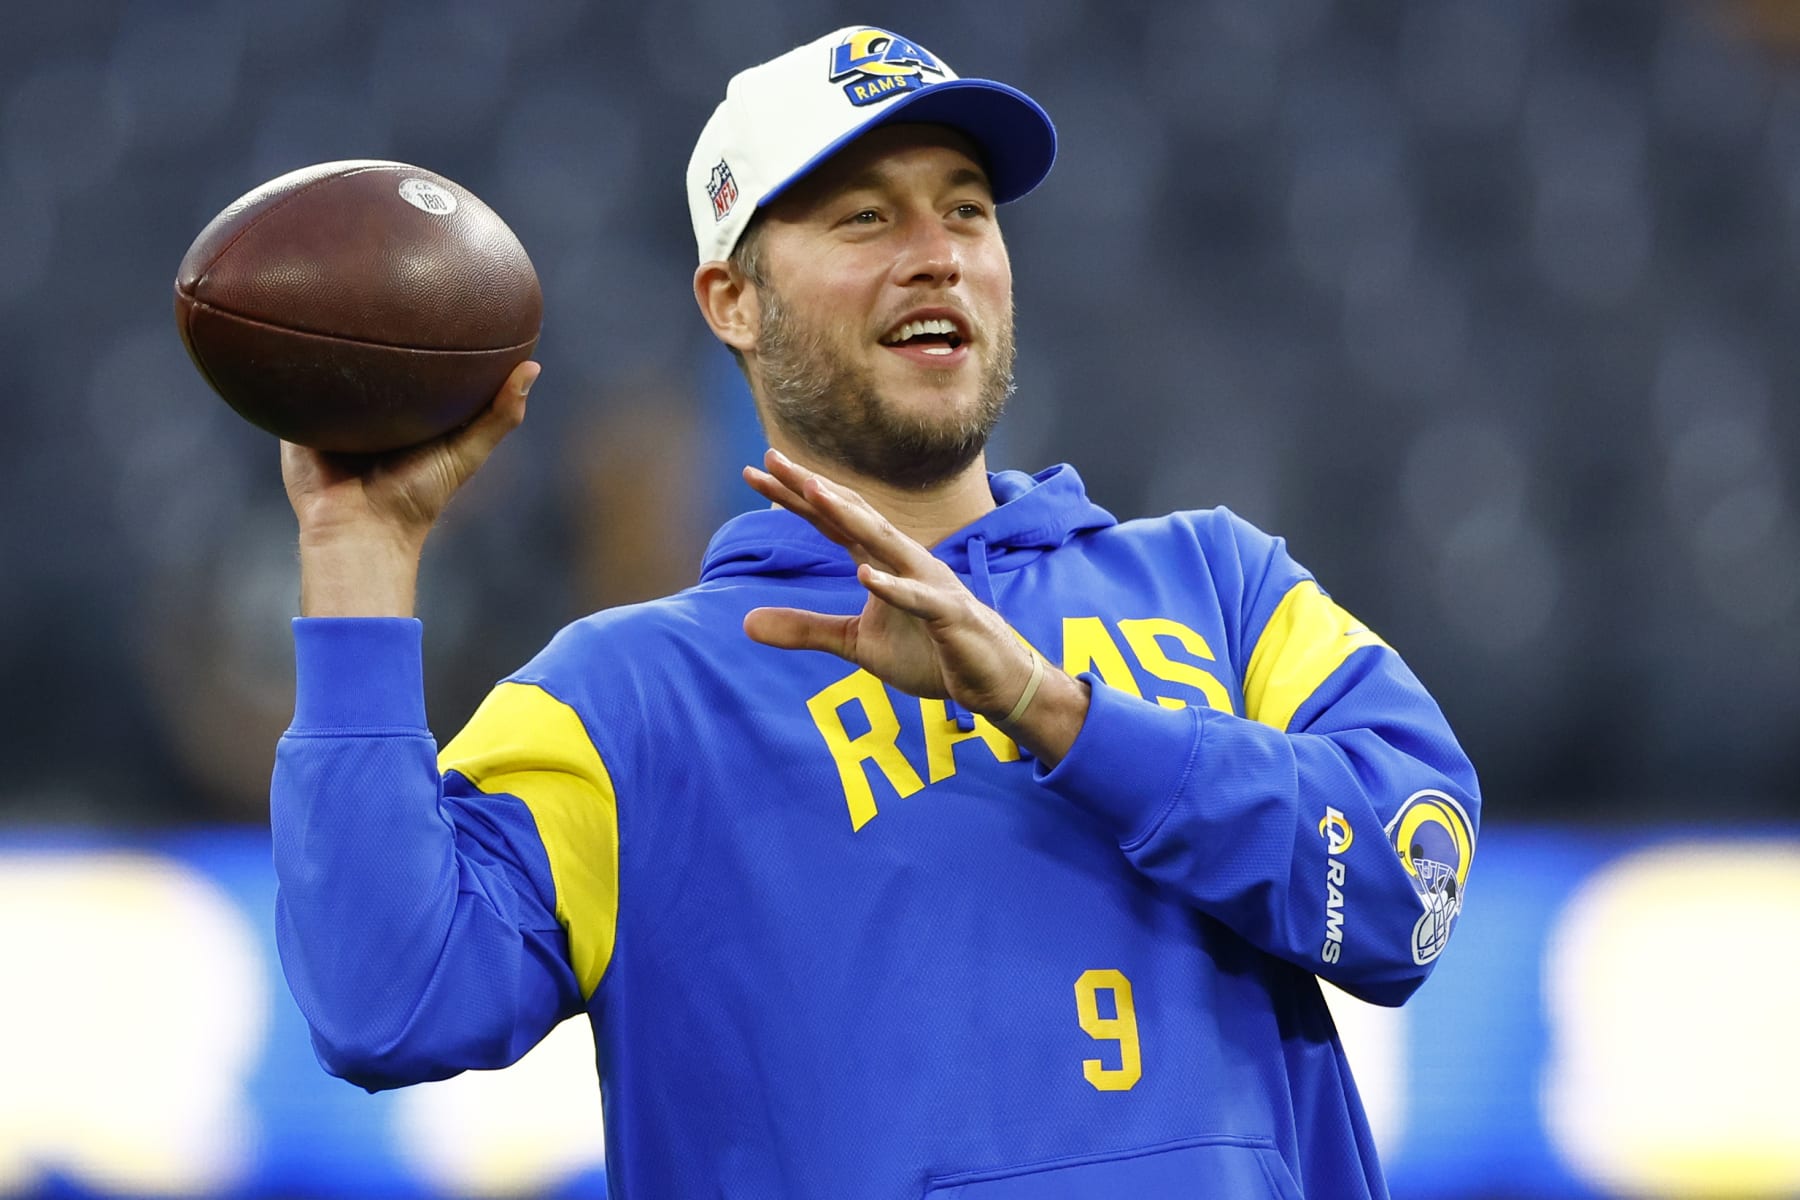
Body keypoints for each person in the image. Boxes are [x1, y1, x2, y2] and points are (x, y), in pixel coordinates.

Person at [272, 25, 1480, 1200]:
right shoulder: (624, 703)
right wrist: (359, 558)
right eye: (866, 216)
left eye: (967, 208)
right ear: (732, 300)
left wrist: (1053, 711)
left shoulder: (1221, 589)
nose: (938, 251)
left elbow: (1408, 893)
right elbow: (387, 1002)